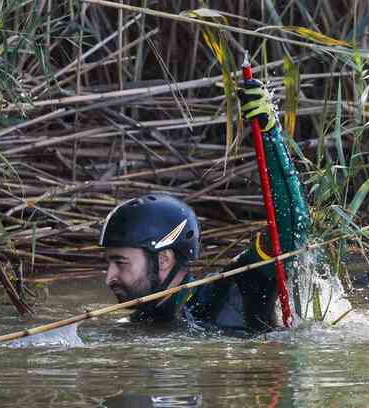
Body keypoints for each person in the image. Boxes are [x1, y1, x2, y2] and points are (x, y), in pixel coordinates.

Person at [99, 79, 309, 334]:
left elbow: (291, 230)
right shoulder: (140, 322)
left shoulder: (236, 286)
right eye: (110, 263)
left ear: (164, 259)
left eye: (121, 263)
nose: (109, 277)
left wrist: (270, 134)